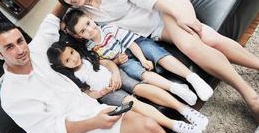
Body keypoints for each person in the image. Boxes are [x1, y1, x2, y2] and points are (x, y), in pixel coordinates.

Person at [49, 0, 259, 120]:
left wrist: (179, 16)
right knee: (209, 38)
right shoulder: (82, 14)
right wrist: (66, 0)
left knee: (189, 45)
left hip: (166, 6)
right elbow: (55, 22)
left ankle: (250, 96)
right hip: (155, 30)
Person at [0, 6, 182, 133]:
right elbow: (48, 131)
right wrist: (94, 123)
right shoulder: (11, 96)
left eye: (20, 41)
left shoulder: (36, 49)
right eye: (9, 47)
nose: (20, 50)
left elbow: (52, 17)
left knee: (150, 128)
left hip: (90, 111)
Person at [47, 39, 209, 133]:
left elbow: (109, 64)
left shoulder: (88, 57)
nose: (74, 58)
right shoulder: (74, 77)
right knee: (133, 103)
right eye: (68, 60)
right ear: (63, 66)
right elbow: (89, 93)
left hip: (118, 76)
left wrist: (116, 75)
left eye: (72, 53)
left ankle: (186, 111)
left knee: (141, 88)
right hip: (109, 94)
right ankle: (177, 126)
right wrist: (102, 92)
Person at [63, 8, 213, 105]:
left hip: (134, 46)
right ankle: (176, 88)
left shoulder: (108, 29)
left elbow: (131, 44)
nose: (90, 30)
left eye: (88, 23)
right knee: (139, 73)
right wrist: (116, 61)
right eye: (83, 31)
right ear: (78, 36)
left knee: (152, 51)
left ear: (90, 18)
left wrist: (142, 59)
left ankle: (193, 78)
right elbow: (107, 63)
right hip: (123, 62)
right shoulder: (90, 48)